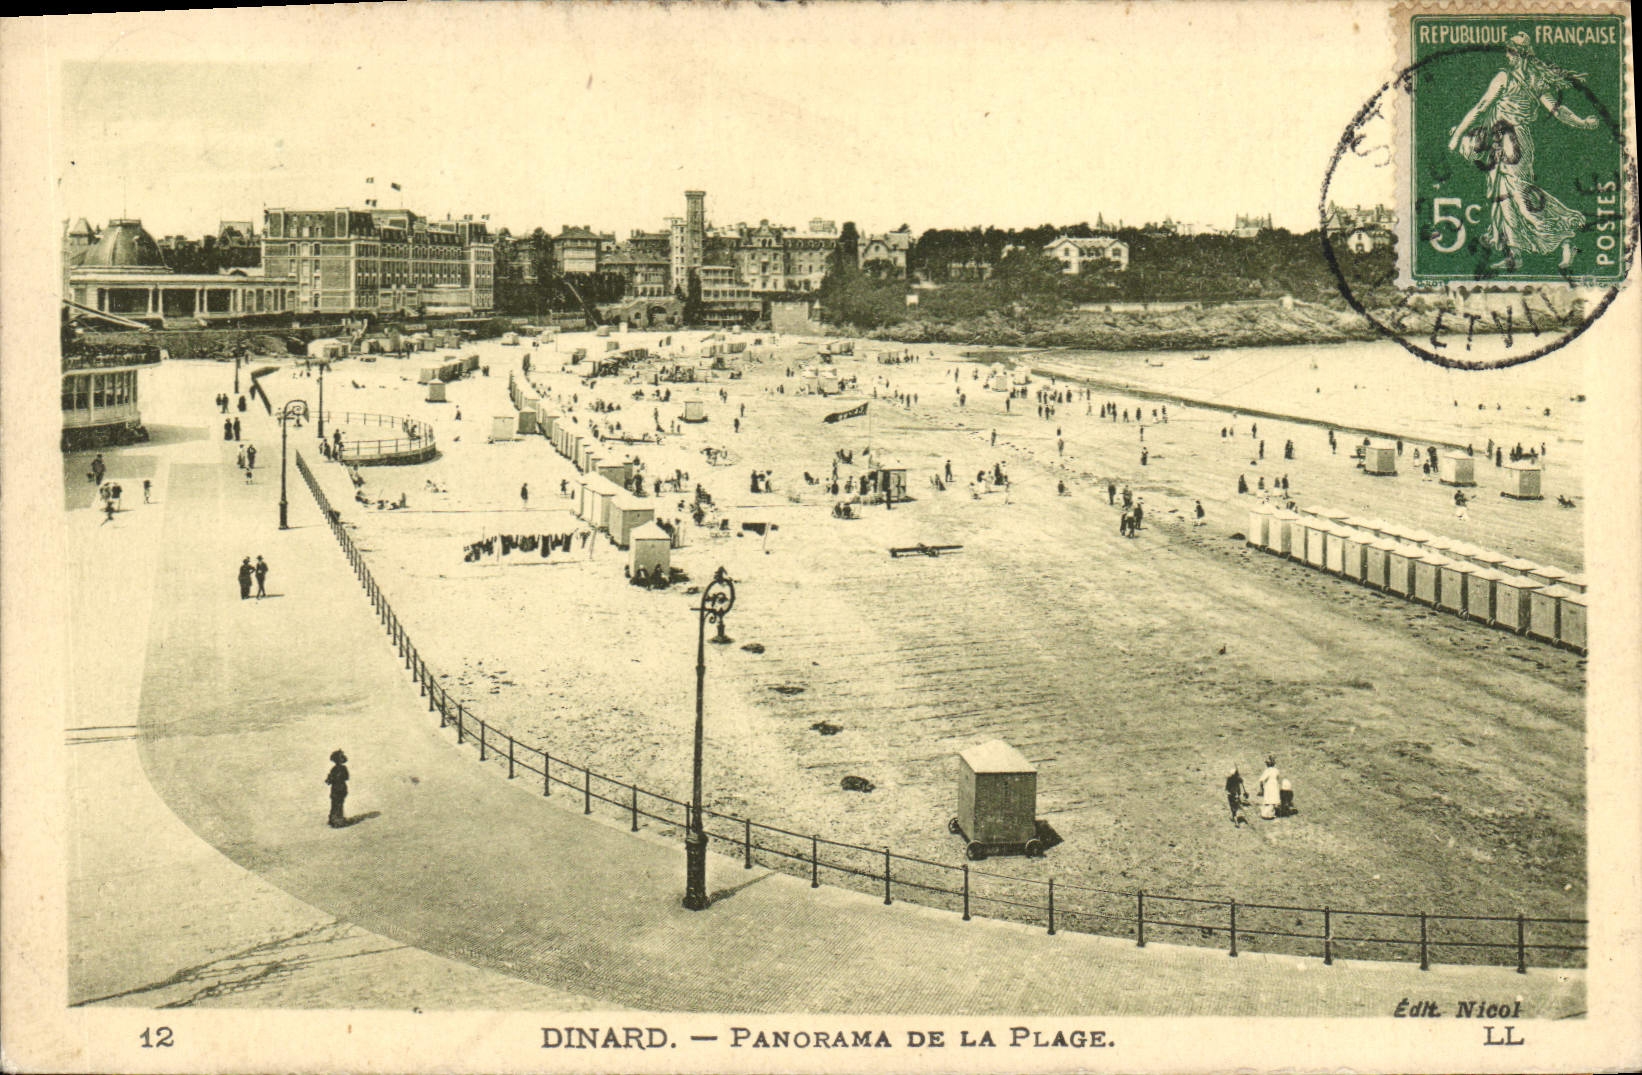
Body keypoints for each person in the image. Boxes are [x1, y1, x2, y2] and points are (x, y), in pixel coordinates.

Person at [1448, 32, 1599, 270]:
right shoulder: (1531, 79)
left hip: (1514, 144)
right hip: (1504, 142)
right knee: (1502, 196)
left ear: (1520, 55)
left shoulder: (1508, 78)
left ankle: (1566, 239)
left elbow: (1481, 107)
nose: (1508, 55)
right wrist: (1582, 123)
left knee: (1522, 196)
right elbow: (1557, 111)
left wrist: (1457, 136)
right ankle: (1514, 254)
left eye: (1511, 51)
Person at [325, 750, 350, 827]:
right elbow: (329, 780)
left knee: (337, 803)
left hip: (339, 788)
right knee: (336, 803)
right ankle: (336, 820)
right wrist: (330, 779)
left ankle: (337, 819)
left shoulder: (340, 768)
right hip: (337, 788)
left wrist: (334, 778)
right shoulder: (335, 769)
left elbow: (346, 777)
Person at [1257, 755, 1282, 820]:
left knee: (1268, 799)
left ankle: (1267, 814)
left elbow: (1261, 780)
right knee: (1273, 799)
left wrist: (1261, 788)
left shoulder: (1267, 771)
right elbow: (1278, 778)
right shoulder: (1276, 770)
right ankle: (1272, 813)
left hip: (1269, 787)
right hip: (1275, 786)